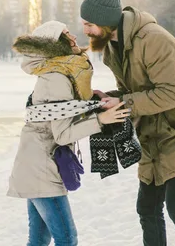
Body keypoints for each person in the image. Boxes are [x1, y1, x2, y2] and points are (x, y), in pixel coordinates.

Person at [80, 0, 175, 246]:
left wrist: (124, 101)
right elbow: (131, 91)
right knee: (147, 208)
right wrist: (107, 97)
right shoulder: (113, 47)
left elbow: (172, 94)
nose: (86, 31)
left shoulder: (155, 40)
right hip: (153, 135)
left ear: (105, 21)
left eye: (89, 25)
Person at [7, 20, 130, 246]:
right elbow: (63, 134)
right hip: (42, 170)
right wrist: (101, 120)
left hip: (36, 164)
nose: (74, 37)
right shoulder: (56, 77)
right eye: (66, 34)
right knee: (67, 238)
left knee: (39, 240)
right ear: (56, 44)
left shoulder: (58, 74)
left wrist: (94, 101)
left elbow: (63, 110)